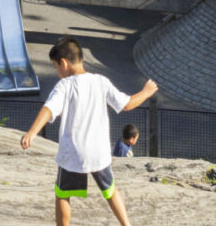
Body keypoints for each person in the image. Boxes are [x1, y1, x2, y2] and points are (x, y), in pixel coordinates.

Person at [20, 37, 157, 226]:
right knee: (110, 190)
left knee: (62, 194)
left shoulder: (65, 85)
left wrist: (32, 132)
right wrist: (146, 92)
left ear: (64, 63)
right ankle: (127, 224)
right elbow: (127, 104)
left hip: (74, 153)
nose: (57, 71)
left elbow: (49, 108)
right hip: (99, 152)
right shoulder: (101, 81)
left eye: (55, 66)